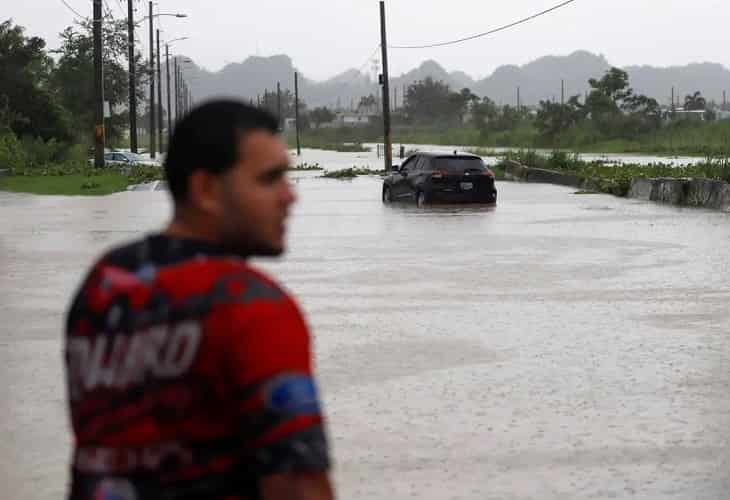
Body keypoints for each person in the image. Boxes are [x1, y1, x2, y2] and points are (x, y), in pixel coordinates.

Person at [64, 100, 334, 500]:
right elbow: (296, 483)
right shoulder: (252, 307)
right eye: (270, 179)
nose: (288, 197)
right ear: (206, 189)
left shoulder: (103, 285)